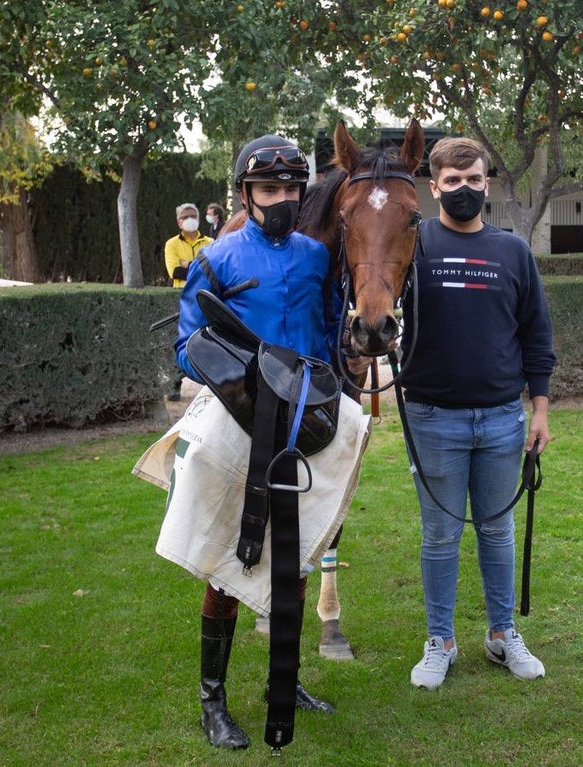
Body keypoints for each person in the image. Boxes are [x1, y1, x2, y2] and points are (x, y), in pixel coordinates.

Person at [170, 134, 370, 750]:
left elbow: (336, 325)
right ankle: (213, 701)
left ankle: (285, 680)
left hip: (308, 424)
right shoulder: (217, 260)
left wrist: (360, 345)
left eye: (290, 189)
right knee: (228, 564)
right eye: (267, 189)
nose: (280, 199)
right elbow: (185, 343)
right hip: (242, 425)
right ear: (246, 194)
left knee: (301, 556)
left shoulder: (317, 257)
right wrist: (234, 379)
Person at [399, 136, 556, 691]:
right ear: (434, 185)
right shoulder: (412, 245)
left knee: (497, 530)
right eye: (452, 181)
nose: (464, 190)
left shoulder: (512, 251)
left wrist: (539, 409)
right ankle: (439, 640)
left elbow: (536, 335)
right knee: (440, 535)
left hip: (500, 418)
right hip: (430, 415)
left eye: (474, 180)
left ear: (487, 183)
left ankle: (501, 634)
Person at [163, 203, 213, 399]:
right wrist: (198, 266)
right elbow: (174, 271)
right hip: (180, 297)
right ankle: (175, 383)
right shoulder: (172, 244)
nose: (189, 219)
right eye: (185, 216)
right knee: (180, 341)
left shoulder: (210, 242)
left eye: (193, 215)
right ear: (178, 221)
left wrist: (187, 265)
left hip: (206, 298)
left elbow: (214, 270)